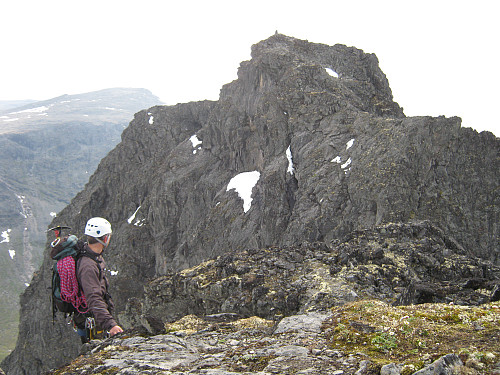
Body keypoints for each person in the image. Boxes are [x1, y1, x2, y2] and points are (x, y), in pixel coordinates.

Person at [73, 217, 123, 342]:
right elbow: (93, 298)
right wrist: (111, 325)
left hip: (95, 319)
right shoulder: (88, 266)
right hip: (92, 322)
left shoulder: (91, 256)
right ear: (105, 238)